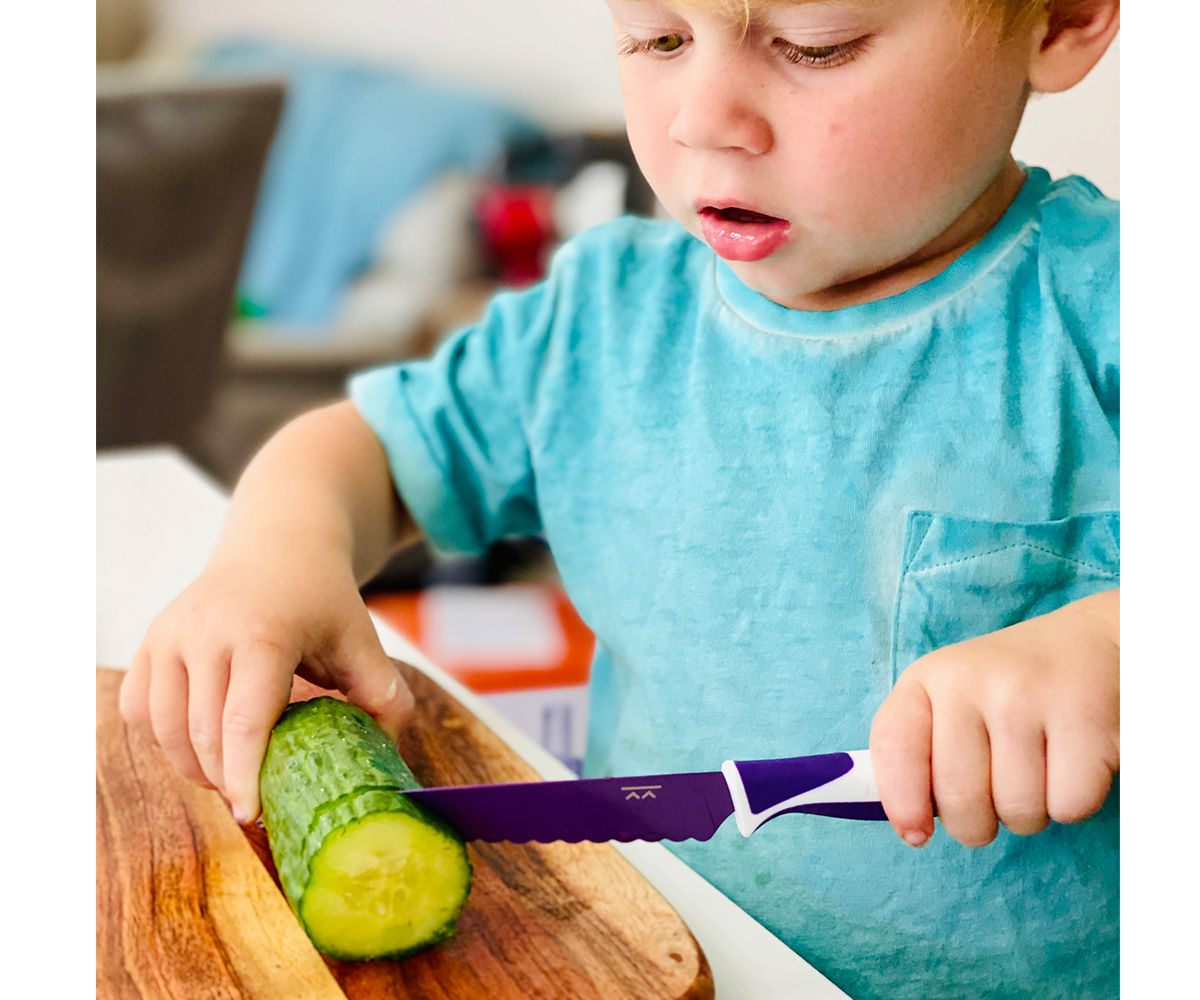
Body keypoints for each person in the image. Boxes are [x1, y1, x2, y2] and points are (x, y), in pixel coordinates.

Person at [120, 1, 1121, 996]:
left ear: (1062, 20)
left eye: (817, 47)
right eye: (659, 40)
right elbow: (365, 446)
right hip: (649, 956)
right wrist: (270, 557)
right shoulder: (602, 315)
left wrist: (1119, 651)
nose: (702, 119)